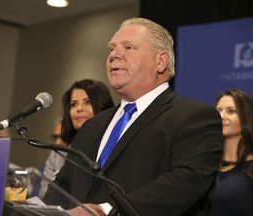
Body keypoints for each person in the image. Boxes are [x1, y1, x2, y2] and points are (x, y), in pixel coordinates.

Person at [43, 17, 223, 216]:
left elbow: (186, 182)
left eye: (128, 48)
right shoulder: (92, 125)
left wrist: (107, 210)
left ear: (161, 61)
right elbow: (64, 183)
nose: (114, 55)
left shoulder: (194, 116)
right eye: (112, 48)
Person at [38, 79, 115, 200]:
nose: (79, 108)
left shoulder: (113, 146)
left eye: (87, 102)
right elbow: (44, 196)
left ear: (102, 105)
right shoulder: (58, 154)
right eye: (74, 104)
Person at [209, 89, 253, 216]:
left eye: (231, 111)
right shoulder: (205, 166)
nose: (222, 116)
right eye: (218, 110)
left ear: (247, 117)